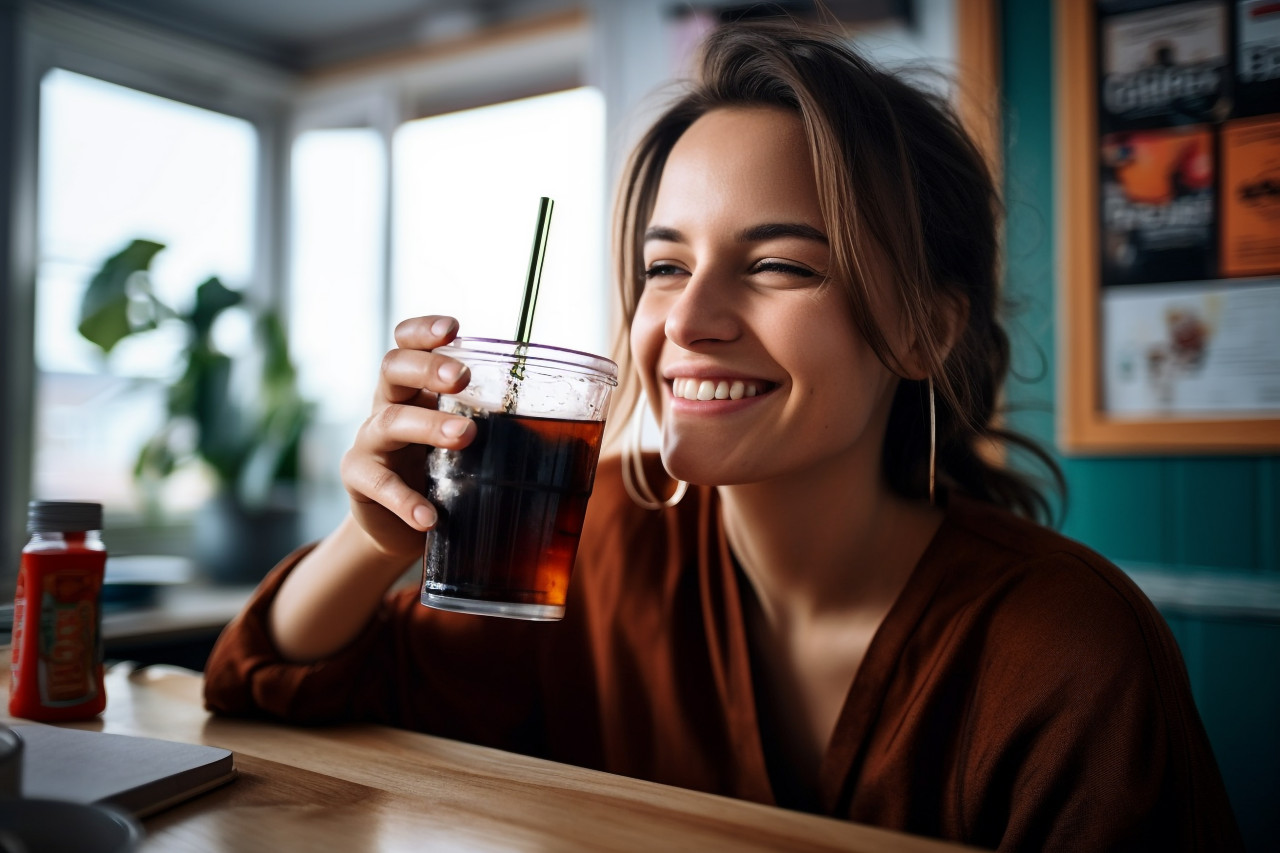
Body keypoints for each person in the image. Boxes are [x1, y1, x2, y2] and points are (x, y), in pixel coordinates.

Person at [203, 20, 1243, 851]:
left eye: (780, 264)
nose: (687, 320)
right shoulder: (599, 543)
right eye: (663, 266)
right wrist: (374, 535)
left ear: (926, 326)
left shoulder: (1068, 648)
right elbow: (278, 691)